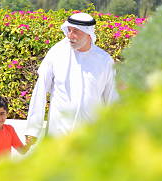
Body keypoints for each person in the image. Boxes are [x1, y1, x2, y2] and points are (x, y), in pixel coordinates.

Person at [25, 12, 119, 142]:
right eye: (69, 30)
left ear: (88, 33)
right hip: (58, 136)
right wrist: (32, 129)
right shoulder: (56, 54)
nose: (70, 36)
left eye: (76, 31)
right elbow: (40, 91)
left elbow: (112, 99)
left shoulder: (104, 60)